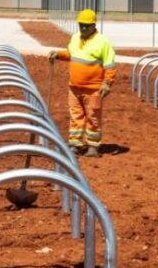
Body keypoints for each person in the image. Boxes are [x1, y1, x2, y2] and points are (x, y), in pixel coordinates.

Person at [48, 9, 116, 158]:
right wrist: (59, 54)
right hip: (74, 87)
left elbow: (109, 65)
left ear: (93, 25)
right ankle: (75, 144)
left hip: (93, 89)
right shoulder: (75, 38)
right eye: (81, 25)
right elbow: (71, 54)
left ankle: (93, 146)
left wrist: (107, 83)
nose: (83, 28)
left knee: (93, 116)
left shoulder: (102, 42)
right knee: (75, 115)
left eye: (87, 25)